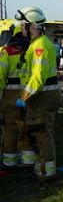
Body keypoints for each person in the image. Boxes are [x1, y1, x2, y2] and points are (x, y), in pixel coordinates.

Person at [15, 6, 62, 182]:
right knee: (36, 132)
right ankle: (40, 167)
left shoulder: (40, 46)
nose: (21, 28)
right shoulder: (36, 45)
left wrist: (23, 97)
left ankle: (47, 173)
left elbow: (38, 77)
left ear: (33, 26)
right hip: (40, 97)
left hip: (43, 97)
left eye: (23, 25)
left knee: (42, 134)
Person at [0, 22, 30, 171]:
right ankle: (28, 161)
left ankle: (9, 162)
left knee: (11, 128)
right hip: (30, 93)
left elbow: (0, 75)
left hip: (11, 94)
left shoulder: (7, 51)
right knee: (28, 126)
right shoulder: (32, 50)